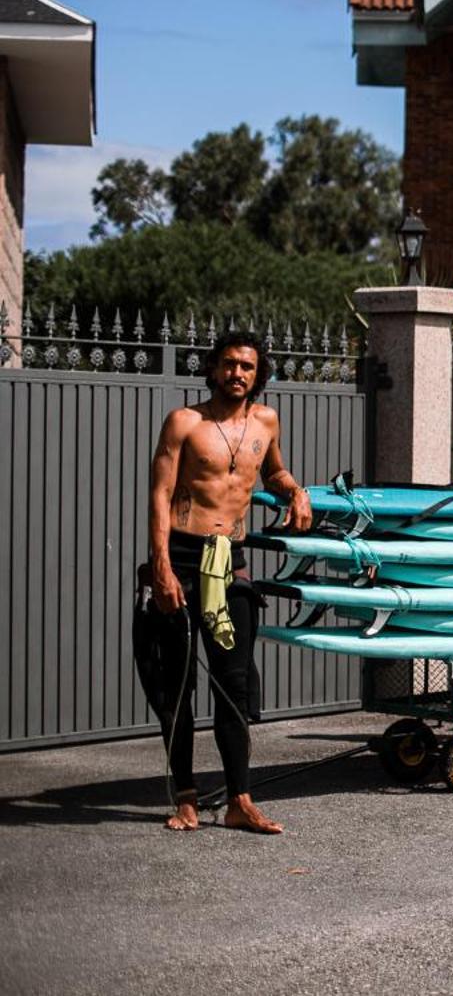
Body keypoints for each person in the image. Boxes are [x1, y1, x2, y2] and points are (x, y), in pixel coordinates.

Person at [140, 332, 310, 833]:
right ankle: (187, 797)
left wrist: (296, 490)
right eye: (231, 365)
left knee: (233, 682)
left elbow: (273, 471)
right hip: (184, 556)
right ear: (213, 368)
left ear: (260, 375)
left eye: (248, 367)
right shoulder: (184, 422)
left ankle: (240, 799)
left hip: (225, 560)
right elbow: (159, 494)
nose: (239, 374)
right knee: (177, 685)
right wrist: (163, 566)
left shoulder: (266, 421)